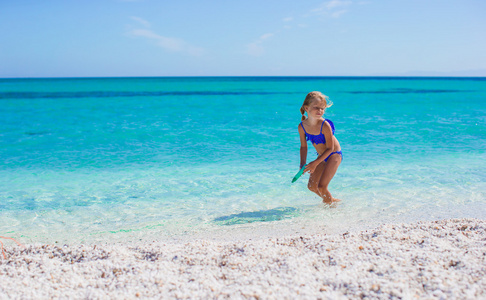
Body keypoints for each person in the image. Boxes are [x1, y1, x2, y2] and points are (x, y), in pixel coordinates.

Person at [298, 91, 342, 204]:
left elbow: (330, 149)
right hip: (321, 157)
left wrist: (315, 163)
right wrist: (302, 163)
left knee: (322, 187)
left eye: (322, 108)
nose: (320, 111)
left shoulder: (324, 125)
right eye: (316, 107)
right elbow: (303, 147)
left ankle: (331, 212)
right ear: (306, 108)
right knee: (312, 187)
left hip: (333, 155)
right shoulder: (302, 126)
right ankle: (331, 201)